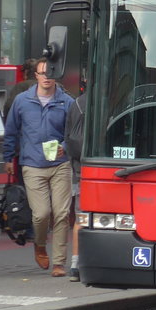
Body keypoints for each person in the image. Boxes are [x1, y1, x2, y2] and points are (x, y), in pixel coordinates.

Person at [4, 58, 75, 276]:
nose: (47, 77)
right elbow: (11, 130)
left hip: (60, 164)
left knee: (62, 214)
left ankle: (59, 262)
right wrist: (8, 158)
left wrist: (64, 146)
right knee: (41, 214)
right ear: (35, 75)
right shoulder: (22, 100)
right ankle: (40, 244)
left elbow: (74, 132)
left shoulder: (67, 102)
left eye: (50, 73)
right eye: (42, 73)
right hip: (32, 164)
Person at [65, 87, 86, 282]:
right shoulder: (114, 103)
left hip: (82, 169)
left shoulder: (78, 103)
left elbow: (69, 138)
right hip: (112, 168)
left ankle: (75, 264)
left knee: (81, 217)